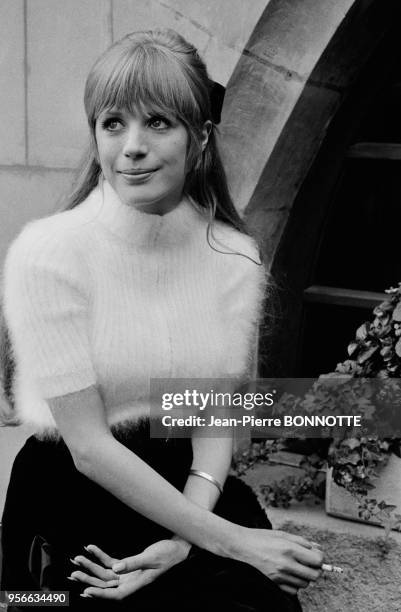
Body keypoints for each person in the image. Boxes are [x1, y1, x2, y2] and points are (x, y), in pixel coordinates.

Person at [0, 29, 323, 611]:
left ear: (200, 137)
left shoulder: (233, 258)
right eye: (113, 122)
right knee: (41, 605)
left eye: (158, 122)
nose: (132, 147)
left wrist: (186, 540)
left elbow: (213, 416)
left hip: (194, 485)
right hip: (71, 489)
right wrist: (235, 542)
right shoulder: (47, 252)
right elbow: (89, 448)